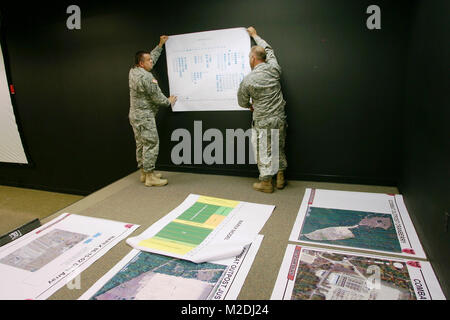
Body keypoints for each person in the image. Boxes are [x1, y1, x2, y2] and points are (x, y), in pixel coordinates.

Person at [237, 27, 288, 193]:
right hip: (279, 117)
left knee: (263, 149)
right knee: (278, 146)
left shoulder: (248, 80)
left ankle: (266, 183)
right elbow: (269, 50)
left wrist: (250, 106)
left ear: (252, 58)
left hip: (263, 120)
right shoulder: (274, 69)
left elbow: (242, 101)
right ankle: (280, 177)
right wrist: (255, 35)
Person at [129, 35, 177, 187]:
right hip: (145, 117)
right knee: (151, 143)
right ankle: (150, 177)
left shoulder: (134, 71)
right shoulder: (146, 77)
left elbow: (151, 60)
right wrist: (168, 101)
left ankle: (144, 172)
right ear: (141, 63)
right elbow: (158, 98)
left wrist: (160, 45)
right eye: (148, 60)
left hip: (135, 116)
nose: (151, 61)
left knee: (141, 144)